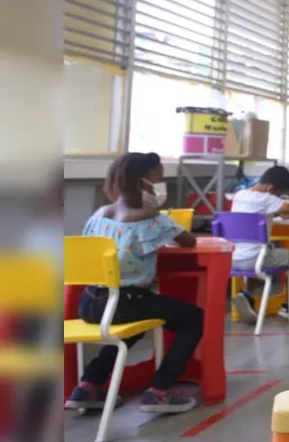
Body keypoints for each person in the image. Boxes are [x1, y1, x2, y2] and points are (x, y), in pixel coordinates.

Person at [65, 153, 203, 414]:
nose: (159, 186)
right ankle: (159, 391)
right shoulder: (151, 218)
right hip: (126, 302)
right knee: (194, 318)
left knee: (132, 329)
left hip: (90, 302)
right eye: (158, 179)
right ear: (144, 182)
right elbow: (189, 241)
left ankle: (87, 385)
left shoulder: (98, 215)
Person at [228, 166, 289, 323]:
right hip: (256, 260)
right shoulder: (268, 199)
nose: (280, 197)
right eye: (279, 193)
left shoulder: (240, 195)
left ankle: (247, 296)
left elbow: (270, 210)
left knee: (257, 250)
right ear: (271, 188)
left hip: (234, 259)